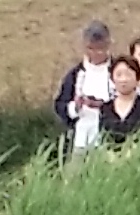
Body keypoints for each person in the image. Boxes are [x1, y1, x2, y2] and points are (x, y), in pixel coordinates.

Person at [54, 21, 116, 153]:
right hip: (79, 139)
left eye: (100, 49)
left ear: (108, 44)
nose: (95, 54)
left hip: (110, 139)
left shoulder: (118, 71)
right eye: (90, 48)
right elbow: (60, 105)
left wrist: (103, 106)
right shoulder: (75, 75)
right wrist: (75, 106)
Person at [99, 56, 140, 147]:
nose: (123, 79)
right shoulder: (105, 107)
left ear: (137, 78)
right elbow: (103, 138)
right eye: (119, 75)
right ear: (112, 79)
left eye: (128, 74)